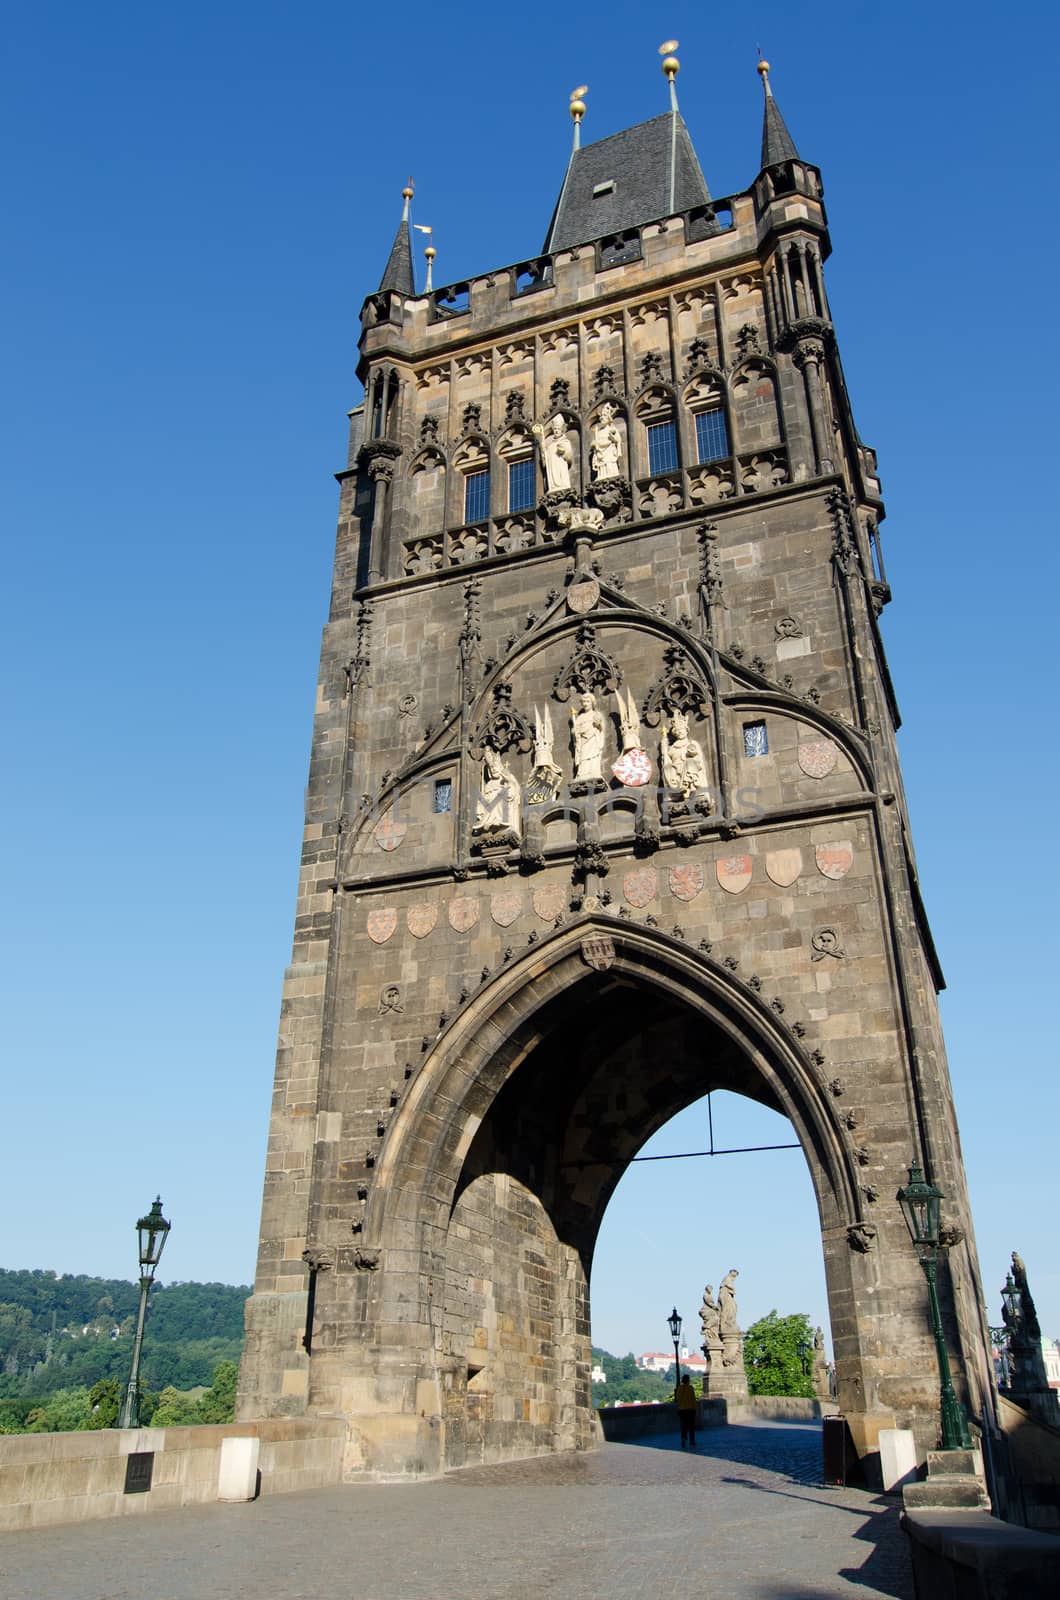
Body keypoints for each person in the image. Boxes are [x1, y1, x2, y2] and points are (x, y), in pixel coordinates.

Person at [675, 1373, 698, 1448]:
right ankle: (692, 1441)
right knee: (691, 1426)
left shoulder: (679, 1388)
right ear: (688, 1380)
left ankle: (683, 1439)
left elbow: (678, 1399)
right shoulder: (690, 1388)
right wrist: (695, 1408)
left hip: (682, 1410)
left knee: (684, 1425)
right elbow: (693, 1399)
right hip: (691, 1409)